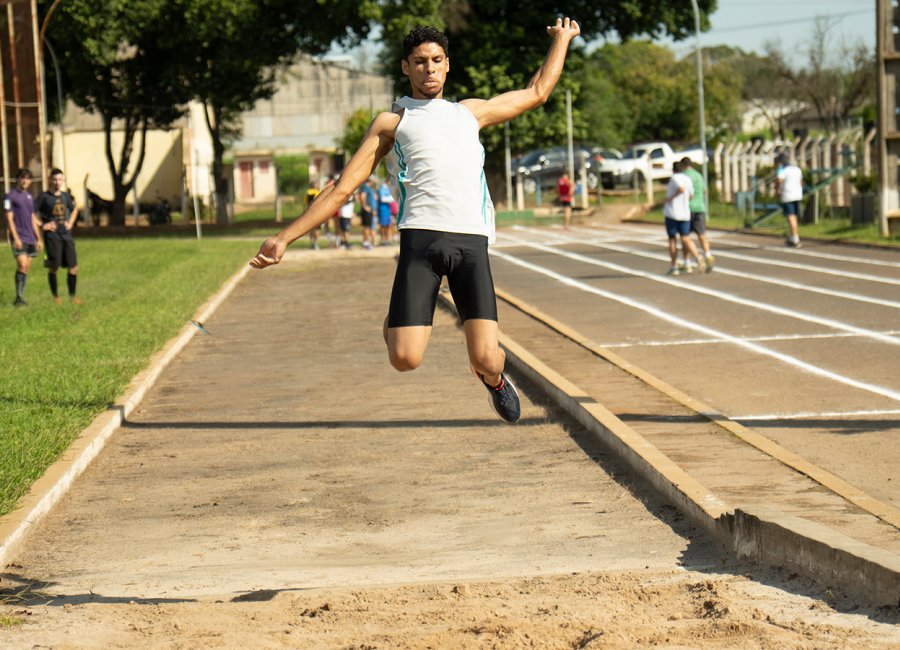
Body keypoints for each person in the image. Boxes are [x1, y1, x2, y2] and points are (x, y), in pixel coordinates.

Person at [250, 17, 582, 424]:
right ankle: (399, 318)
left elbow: (537, 92)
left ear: (447, 65)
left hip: (470, 243)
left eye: (437, 60)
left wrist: (562, 39)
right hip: (420, 242)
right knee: (405, 359)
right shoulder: (392, 123)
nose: (429, 69)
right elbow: (342, 188)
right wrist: (284, 238)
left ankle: (494, 381)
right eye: (420, 61)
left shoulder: (470, 114)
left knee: (486, 357)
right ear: (406, 67)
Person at [35, 168, 80, 304]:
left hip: (66, 235)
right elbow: (30, 212)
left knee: (73, 267)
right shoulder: (44, 196)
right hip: (52, 237)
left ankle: (72, 297)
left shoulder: (66, 196)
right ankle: (56, 297)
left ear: (63, 180)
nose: (57, 182)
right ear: (50, 180)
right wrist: (42, 225)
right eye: (55, 179)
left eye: (60, 179)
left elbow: (74, 209)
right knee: (54, 267)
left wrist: (70, 222)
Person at [4, 168, 42, 307]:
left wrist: (38, 238)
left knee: (26, 268)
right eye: (23, 178)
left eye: (28, 178)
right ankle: (18, 297)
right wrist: (16, 238)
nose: (25, 181)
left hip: (30, 237)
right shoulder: (9, 196)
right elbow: (9, 219)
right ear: (17, 179)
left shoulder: (29, 197)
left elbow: (32, 217)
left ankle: (21, 296)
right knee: (22, 264)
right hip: (19, 236)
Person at [663, 159, 702, 276]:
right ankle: (697, 256)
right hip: (685, 213)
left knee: (672, 240)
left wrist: (669, 199)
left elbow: (681, 189)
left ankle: (674, 266)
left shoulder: (675, 178)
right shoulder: (687, 179)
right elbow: (691, 195)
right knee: (685, 238)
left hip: (672, 213)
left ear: (673, 170)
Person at [680, 157, 714, 271]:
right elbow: (704, 190)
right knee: (702, 235)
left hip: (687, 209)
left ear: (682, 165)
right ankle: (708, 255)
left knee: (685, 237)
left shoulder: (683, 176)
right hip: (700, 207)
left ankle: (687, 262)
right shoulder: (698, 175)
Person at [775, 152, 803, 248]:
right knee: (794, 217)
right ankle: (792, 237)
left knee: (790, 216)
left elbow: (779, 180)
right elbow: (801, 182)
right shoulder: (797, 169)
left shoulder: (782, 169)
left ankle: (795, 238)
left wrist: (777, 190)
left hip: (787, 195)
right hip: (798, 195)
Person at [358, 176, 378, 250]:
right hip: (367, 210)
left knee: (368, 227)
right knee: (367, 227)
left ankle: (366, 242)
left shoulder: (370, 188)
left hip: (370, 210)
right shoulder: (365, 187)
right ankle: (366, 243)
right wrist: (365, 206)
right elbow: (363, 196)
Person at [377, 179, 394, 245]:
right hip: (383, 209)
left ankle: (387, 239)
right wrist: (392, 199)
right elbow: (382, 199)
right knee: (383, 225)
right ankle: (383, 239)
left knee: (388, 225)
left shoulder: (387, 189)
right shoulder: (382, 189)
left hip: (387, 209)